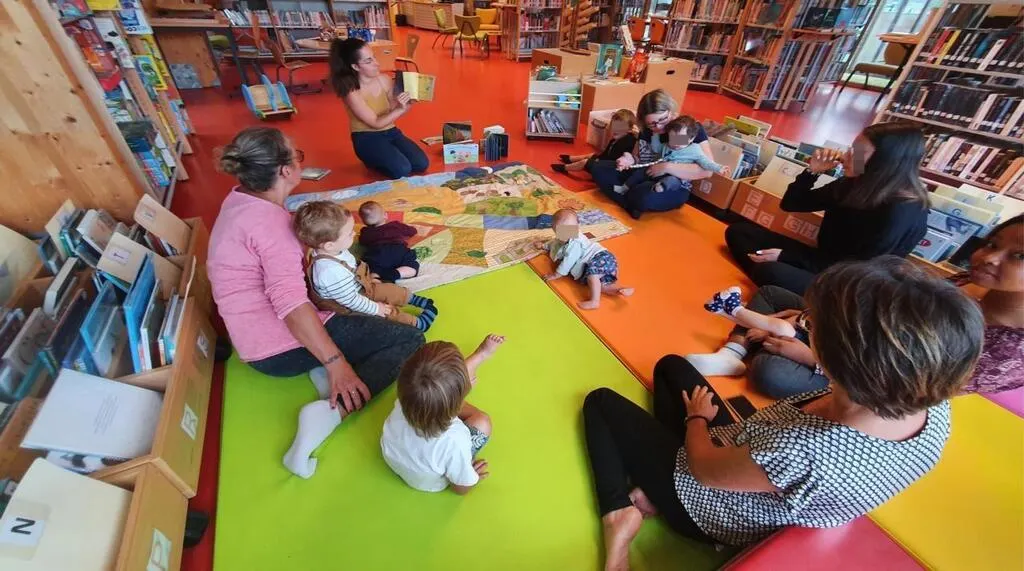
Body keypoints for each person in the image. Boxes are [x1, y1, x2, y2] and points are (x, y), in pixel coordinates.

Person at [582, 257, 983, 570]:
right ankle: (655, 483)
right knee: (672, 367)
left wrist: (697, 420)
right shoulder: (923, 398)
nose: (804, 328)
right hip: (752, 458)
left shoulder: (805, 451)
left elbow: (703, 470)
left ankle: (619, 514)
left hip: (711, 506)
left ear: (845, 361)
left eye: (812, 326)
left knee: (600, 401)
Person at [207, 126, 424, 479]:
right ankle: (331, 414)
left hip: (250, 335)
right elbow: (292, 305)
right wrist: (337, 364)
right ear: (285, 170)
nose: (300, 161)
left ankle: (324, 366)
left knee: (363, 321)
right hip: (275, 350)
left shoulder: (239, 200)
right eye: (298, 155)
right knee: (410, 339)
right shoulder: (273, 228)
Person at [725, 121, 929, 295]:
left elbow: (859, 270)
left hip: (849, 283)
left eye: (859, 152)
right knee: (739, 232)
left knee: (770, 271)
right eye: (851, 149)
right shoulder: (855, 183)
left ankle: (799, 297)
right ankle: (786, 291)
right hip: (820, 260)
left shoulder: (900, 210)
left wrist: (786, 258)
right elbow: (791, 204)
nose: (847, 156)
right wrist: (812, 172)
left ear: (885, 160)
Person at [381, 335, 505, 493]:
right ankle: (477, 359)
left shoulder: (407, 398)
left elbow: (437, 386)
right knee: (483, 422)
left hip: (392, 455)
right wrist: (472, 479)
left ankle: (478, 358)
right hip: (428, 482)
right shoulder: (455, 440)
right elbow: (460, 488)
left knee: (440, 386)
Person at [292, 200, 438, 332]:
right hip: (351, 306)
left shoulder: (334, 250)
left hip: (360, 287)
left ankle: (414, 300)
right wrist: (376, 308)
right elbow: (351, 301)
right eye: (349, 233)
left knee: (389, 289)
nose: (354, 233)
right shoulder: (329, 271)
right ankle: (418, 324)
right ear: (329, 245)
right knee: (388, 314)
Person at [587, 89, 714, 219]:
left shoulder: (686, 129)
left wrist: (666, 167)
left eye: (663, 119)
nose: (658, 127)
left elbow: (707, 170)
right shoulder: (647, 130)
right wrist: (628, 159)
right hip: (642, 174)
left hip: (669, 183)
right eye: (652, 124)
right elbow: (636, 158)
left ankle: (629, 198)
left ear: (670, 111)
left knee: (643, 195)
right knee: (597, 167)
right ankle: (630, 203)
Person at [329, 37, 429, 179]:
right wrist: (400, 109)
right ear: (355, 67)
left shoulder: (385, 79)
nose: (377, 63)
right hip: (366, 137)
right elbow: (376, 123)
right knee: (402, 170)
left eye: (374, 57)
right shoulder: (351, 92)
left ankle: (384, 155)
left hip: (391, 131)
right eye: (368, 61)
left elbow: (393, 110)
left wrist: (409, 102)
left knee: (421, 163)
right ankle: (371, 159)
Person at [954, 214, 1024, 395]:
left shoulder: (1010, 352)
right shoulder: (969, 280)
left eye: (1020, 256)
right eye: (992, 245)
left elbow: (923, 389)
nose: (989, 258)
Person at [534, 209, 634, 310]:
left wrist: (556, 274)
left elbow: (568, 261)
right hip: (590, 265)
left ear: (577, 226)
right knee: (598, 286)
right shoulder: (562, 237)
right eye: (561, 231)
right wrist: (544, 246)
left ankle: (595, 302)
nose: (566, 234)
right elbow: (555, 243)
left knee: (592, 277)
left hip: (600, 257)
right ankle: (620, 290)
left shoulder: (576, 243)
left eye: (569, 229)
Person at [618, 115, 728, 197]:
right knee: (640, 173)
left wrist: (719, 168)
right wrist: (655, 135)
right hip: (657, 170)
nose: (675, 143)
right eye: (672, 139)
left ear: (691, 139)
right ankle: (625, 187)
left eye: (680, 140)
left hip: (676, 176)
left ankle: (661, 187)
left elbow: (706, 163)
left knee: (672, 181)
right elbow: (656, 147)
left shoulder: (695, 150)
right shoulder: (667, 145)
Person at [552, 109, 638, 176]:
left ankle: (565, 168)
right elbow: (605, 154)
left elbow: (614, 160)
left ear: (629, 130)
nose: (616, 129)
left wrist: (598, 161)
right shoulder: (614, 140)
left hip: (612, 169)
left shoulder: (627, 141)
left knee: (585, 162)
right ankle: (571, 159)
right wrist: (598, 158)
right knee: (591, 155)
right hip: (606, 162)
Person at [358, 200, 420, 282]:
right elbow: (412, 231)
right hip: (398, 251)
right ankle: (396, 274)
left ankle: (375, 278)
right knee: (413, 267)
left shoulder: (366, 232)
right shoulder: (395, 225)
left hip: (377, 254)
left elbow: (362, 241)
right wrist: (413, 228)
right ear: (385, 215)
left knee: (372, 268)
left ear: (364, 221)